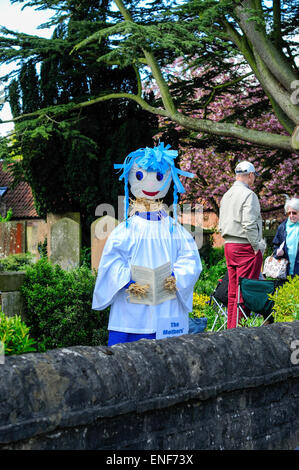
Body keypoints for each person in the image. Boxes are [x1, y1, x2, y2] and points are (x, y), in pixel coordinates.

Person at [92, 142, 202, 346]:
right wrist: (128, 280)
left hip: (167, 307)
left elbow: (191, 261)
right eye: (142, 177)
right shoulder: (124, 231)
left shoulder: (175, 230)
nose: (151, 184)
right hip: (131, 307)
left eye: (159, 177)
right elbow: (111, 263)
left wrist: (176, 276)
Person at [219, 161, 266, 329]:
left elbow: (221, 223)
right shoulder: (249, 195)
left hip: (229, 244)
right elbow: (249, 224)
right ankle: (239, 333)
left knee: (233, 291)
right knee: (245, 292)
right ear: (251, 175)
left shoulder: (227, 194)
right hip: (245, 245)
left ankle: (230, 330)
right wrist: (256, 246)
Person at [272, 197, 299, 277]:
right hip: (285, 270)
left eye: (294, 213)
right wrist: (278, 252)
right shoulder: (282, 227)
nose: (291, 215)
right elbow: (276, 245)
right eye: (288, 213)